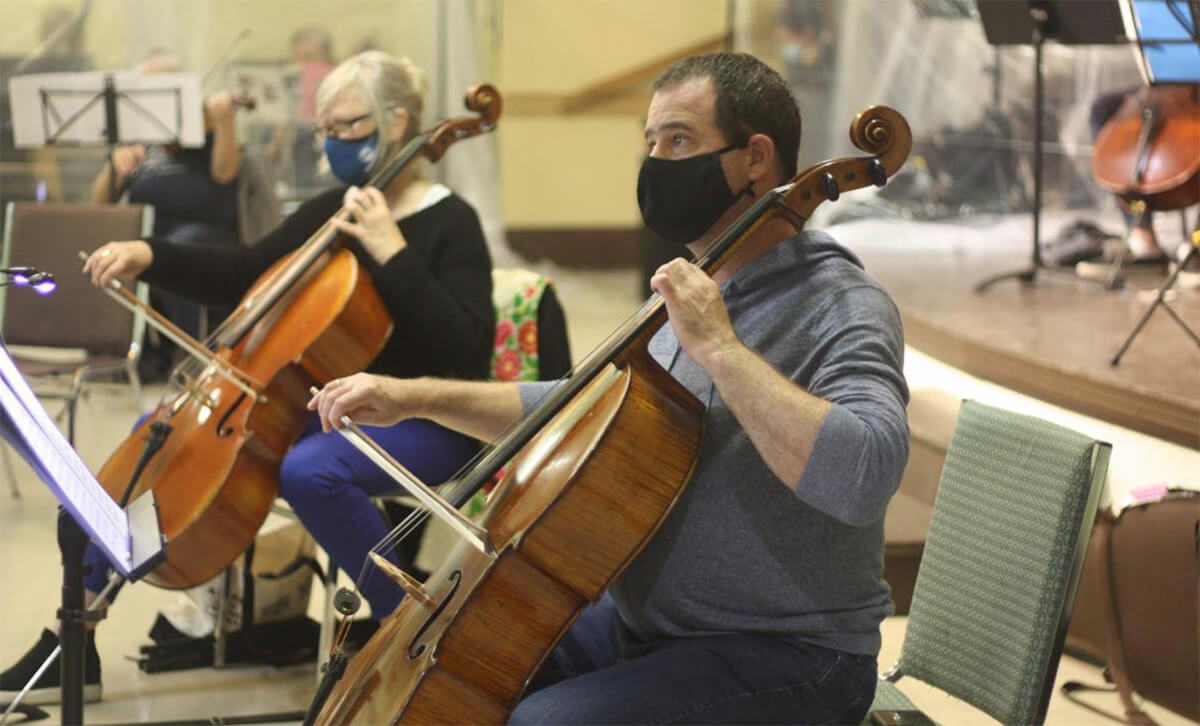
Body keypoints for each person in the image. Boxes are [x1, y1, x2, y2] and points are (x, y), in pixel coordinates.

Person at [309, 51, 909, 724]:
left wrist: (721, 350)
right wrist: (413, 398)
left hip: (789, 652)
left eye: (678, 140)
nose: (654, 163)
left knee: (543, 723)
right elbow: (576, 401)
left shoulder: (840, 302)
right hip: (652, 628)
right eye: (650, 143)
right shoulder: (692, 288)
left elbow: (865, 475)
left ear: (756, 158)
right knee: (466, 659)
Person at [0, 50, 494, 705]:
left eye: (346, 126)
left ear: (397, 121)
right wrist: (149, 255)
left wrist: (393, 252)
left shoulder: (451, 222)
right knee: (159, 443)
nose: (332, 143)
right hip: (333, 412)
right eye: (324, 130)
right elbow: (244, 272)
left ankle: (412, 632)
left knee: (312, 470)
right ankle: (75, 637)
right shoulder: (334, 209)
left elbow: (466, 350)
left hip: (428, 420)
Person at [89, 47, 247, 377]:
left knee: (174, 247)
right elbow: (101, 203)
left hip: (205, 231)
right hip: (149, 228)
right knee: (111, 248)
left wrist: (225, 121)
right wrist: (115, 166)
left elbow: (225, 174)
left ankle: (190, 353)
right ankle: (124, 351)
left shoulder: (207, 128)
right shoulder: (139, 139)